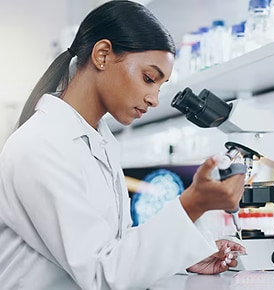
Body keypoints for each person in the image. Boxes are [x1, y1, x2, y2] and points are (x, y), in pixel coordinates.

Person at [0, 1, 246, 289]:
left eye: (160, 86)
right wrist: (193, 204)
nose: (154, 98)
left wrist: (181, 254)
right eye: (149, 78)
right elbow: (102, 275)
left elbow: (113, 247)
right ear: (102, 55)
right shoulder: (40, 146)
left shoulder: (99, 143)